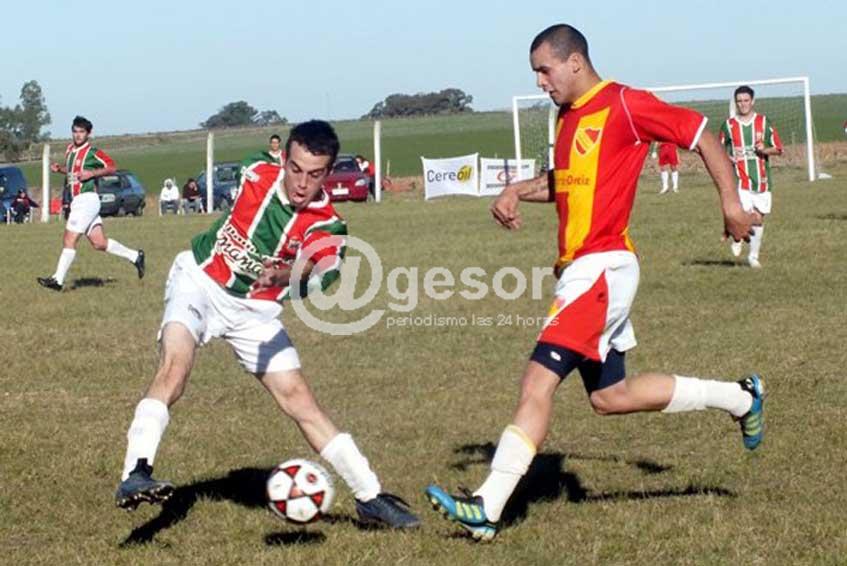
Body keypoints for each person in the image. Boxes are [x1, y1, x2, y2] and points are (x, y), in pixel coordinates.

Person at [425, 24, 765, 542]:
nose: (541, 81)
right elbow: (568, 184)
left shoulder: (625, 104)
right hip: (584, 272)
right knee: (611, 397)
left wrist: (731, 202)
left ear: (575, 62)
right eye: (536, 73)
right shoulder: (567, 117)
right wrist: (518, 188)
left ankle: (488, 506)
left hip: (601, 269)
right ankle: (740, 398)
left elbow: (701, 134)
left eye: (545, 70)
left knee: (537, 382)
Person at [114, 120, 419, 529]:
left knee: (300, 399)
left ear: (328, 174)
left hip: (253, 311)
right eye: (295, 169)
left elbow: (321, 266)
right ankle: (136, 473)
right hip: (199, 280)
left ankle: (370, 497)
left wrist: (287, 273)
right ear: (283, 158)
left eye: (314, 174)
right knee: (175, 365)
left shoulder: (327, 223)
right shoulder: (256, 169)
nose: (301, 183)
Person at [37, 116, 144, 291]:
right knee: (99, 243)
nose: (78, 135)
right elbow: (74, 172)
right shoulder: (70, 150)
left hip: (86, 199)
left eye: (81, 132)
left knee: (69, 239)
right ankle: (135, 256)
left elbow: (112, 167)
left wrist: (92, 174)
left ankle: (57, 280)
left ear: (88, 133)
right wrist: (60, 170)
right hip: (79, 201)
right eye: (75, 131)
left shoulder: (93, 152)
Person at [719, 86, 783, 268]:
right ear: (735, 103)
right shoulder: (729, 125)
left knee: (758, 219)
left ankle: (753, 255)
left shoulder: (763, 122)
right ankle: (740, 240)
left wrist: (765, 149)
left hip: (762, 181)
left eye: (746, 100)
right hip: (740, 180)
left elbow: (778, 148)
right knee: (745, 215)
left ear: (752, 101)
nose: (743, 104)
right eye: (739, 101)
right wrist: (728, 158)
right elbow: (719, 148)